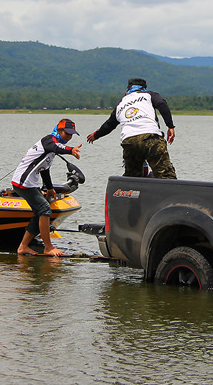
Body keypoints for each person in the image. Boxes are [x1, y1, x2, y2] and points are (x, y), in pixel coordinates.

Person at [12, 118, 82, 256]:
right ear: (59, 130)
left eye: (71, 134)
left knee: (39, 212)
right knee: (45, 210)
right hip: (22, 182)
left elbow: (45, 170)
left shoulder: (52, 146)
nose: (69, 137)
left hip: (29, 183)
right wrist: (71, 150)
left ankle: (23, 246)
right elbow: (57, 148)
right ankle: (48, 247)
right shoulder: (48, 141)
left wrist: (50, 188)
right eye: (67, 133)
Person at [86, 77, 177, 179]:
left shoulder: (121, 103)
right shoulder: (149, 95)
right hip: (151, 137)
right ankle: (173, 193)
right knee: (165, 174)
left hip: (129, 141)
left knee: (133, 176)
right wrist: (170, 126)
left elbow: (109, 125)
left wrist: (96, 135)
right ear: (144, 88)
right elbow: (162, 104)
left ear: (128, 88)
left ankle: (129, 192)